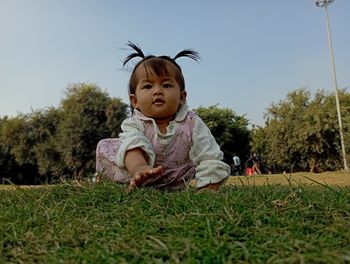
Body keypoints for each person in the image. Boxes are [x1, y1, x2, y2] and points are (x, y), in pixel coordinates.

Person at [96, 42, 230, 192]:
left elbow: (209, 155)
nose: (157, 91)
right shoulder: (134, 123)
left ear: (182, 97)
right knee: (118, 146)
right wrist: (139, 168)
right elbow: (133, 143)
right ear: (135, 101)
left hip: (176, 178)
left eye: (166, 85)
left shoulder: (192, 122)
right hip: (137, 174)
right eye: (148, 86)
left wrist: (208, 186)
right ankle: (126, 178)